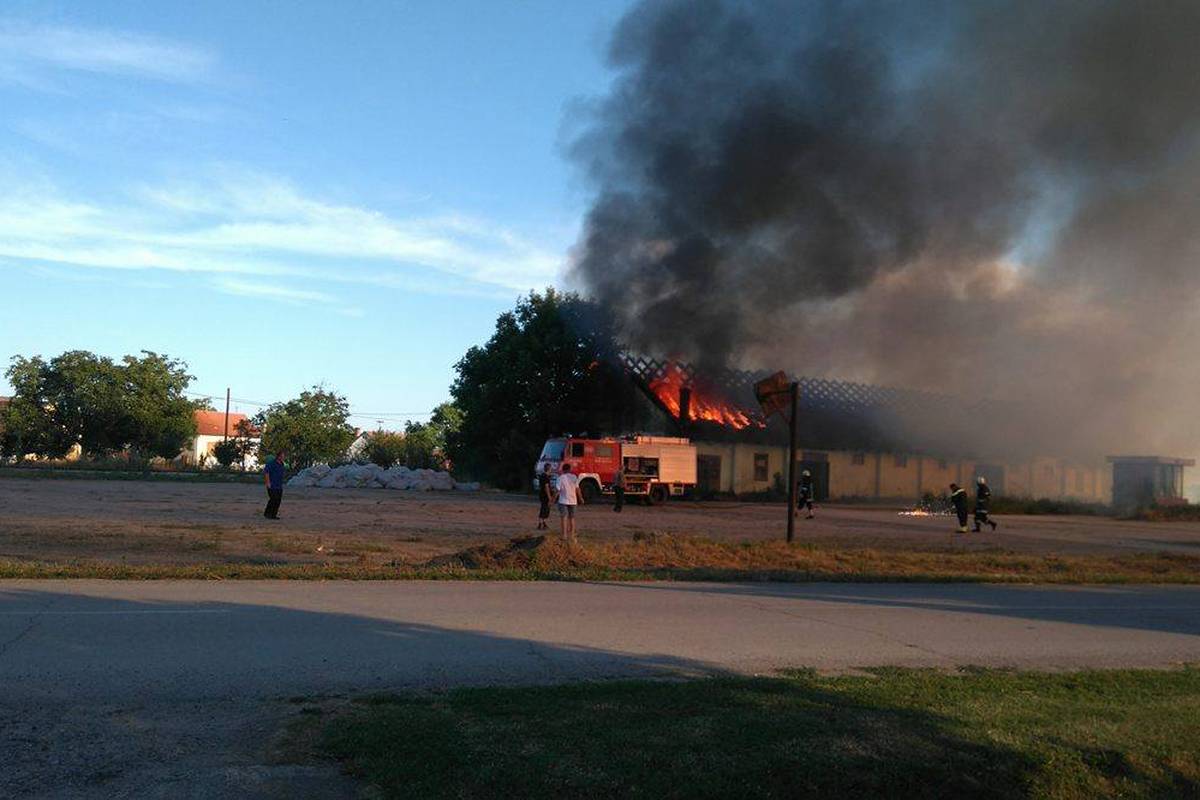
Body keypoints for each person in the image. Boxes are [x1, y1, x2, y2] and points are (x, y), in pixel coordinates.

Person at [554, 462, 583, 541]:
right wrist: (580, 498)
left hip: (563, 500)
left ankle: (564, 535)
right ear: (570, 469)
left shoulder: (560, 478)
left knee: (563, 518)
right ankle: (572, 535)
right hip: (573, 500)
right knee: (572, 518)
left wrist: (552, 500)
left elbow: (557, 490)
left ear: (563, 470)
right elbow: (577, 489)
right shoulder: (574, 477)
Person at [263, 451, 286, 520]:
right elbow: (266, 473)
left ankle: (273, 514)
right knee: (273, 499)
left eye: (283, 457)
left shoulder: (282, 464)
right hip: (272, 485)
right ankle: (267, 513)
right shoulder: (271, 463)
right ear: (278, 456)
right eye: (282, 456)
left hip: (279, 485)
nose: (283, 458)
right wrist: (268, 483)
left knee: (278, 500)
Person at [536, 464, 553, 530]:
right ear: (549, 469)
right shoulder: (546, 477)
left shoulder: (542, 476)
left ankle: (543, 522)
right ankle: (540, 524)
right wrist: (549, 497)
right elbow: (546, 487)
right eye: (551, 469)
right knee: (544, 509)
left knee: (545, 508)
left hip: (541, 494)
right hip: (545, 495)